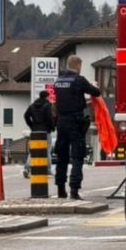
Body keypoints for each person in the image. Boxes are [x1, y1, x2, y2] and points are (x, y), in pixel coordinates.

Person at [53, 55, 101, 200]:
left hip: (61, 122)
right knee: (77, 156)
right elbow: (96, 92)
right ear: (78, 66)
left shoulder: (58, 81)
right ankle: (74, 190)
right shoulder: (79, 80)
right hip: (75, 122)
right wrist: (94, 85)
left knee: (61, 157)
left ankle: (61, 190)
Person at [24, 90, 55, 178]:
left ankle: (27, 169)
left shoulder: (32, 105)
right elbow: (49, 118)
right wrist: (52, 127)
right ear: (47, 96)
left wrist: (31, 125)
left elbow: (26, 116)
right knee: (47, 150)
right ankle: (48, 170)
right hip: (45, 131)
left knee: (33, 151)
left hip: (35, 132)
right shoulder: (47, 105)